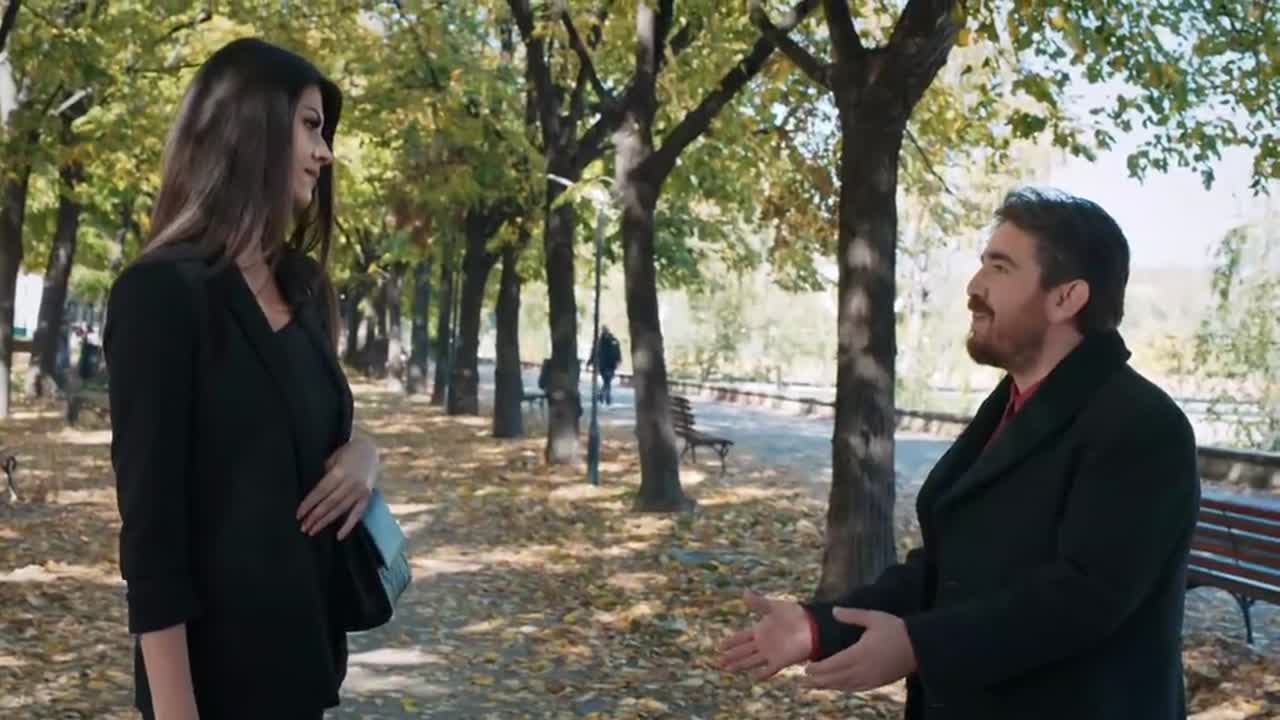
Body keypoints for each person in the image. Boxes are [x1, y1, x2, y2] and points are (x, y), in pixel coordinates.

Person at [718, 188, 1201, 720]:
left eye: (1000, 267)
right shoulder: (1012, 405)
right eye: (982, 264)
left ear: (1066, 298)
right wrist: (819, 627)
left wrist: (919, 647)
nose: (974, 286)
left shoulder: (1141, 426)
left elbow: (1085, 598)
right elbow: (948, 569)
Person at [105, 38, 383, 719]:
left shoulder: (304, 286)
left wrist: (365, 456)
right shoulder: (161, 293)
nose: (325, 152)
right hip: (212, 690)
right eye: (311, 125)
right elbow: (151, 538)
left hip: (306, 671)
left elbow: (304, 431)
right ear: (251, 127)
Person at [591, 327, 622, 405]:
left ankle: (603, 395)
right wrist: (618, 360)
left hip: (606, 364)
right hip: (607, 364)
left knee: (607, 381)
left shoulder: (601, 341)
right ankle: (606, 396)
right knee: (607, 381)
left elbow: (594, 352)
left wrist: (618, 359)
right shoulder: (603, 341)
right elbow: (594, 352)